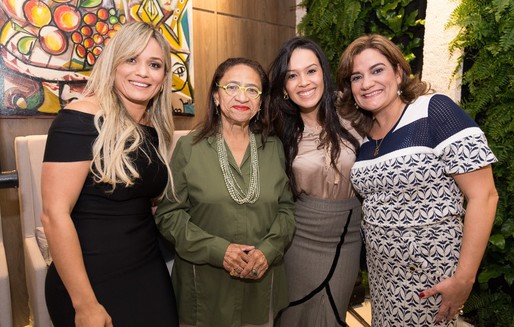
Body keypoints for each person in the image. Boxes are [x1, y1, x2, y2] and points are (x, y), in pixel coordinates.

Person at [336, 34, 498, 326]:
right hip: (382, 278)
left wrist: (464, 278)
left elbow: (484, 196)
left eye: (377, 70)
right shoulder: (363, 133)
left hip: (430, 279)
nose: (366, 83)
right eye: (356, 77)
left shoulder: (433, 111)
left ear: (398, 72)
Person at [42, 21, 179, 327]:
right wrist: (85, 304)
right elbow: (54, 215)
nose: (143, 72)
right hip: (90, 279)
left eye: (154, 64)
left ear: (163, 76)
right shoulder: (78, 119)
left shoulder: (151, 129)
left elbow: (138, 197)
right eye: (132, 59)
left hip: (147, 268)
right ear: (114, 63)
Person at [154, 57, 296, 327]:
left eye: (252, 90)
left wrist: (268, 250)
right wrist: (220, 251)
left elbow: (287, 210)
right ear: (216, 96)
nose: (242, 96)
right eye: (232, 87)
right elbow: (169, 215)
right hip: (205, 291)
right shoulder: (190, 148)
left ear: (260, 102)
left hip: (260, 287)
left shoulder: (274, 148)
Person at [267, 36, 362, 326]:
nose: (304, 82)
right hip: (299, 238)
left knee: (332, 316)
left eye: (311, 71)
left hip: (348, 237)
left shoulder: (353, 112)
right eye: (292, 75)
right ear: (284, 87)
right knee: (293, 315)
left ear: (323, 72)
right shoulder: (277, 130)